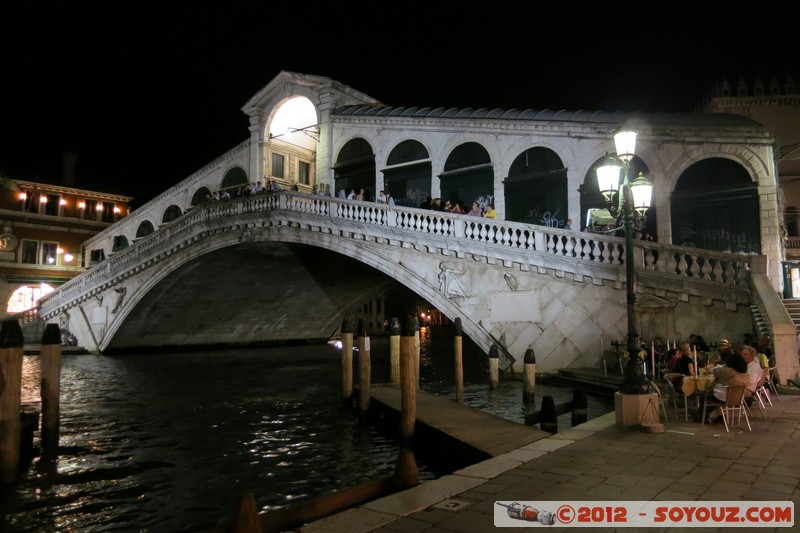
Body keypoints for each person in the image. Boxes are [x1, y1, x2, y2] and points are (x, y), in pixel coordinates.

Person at [702, 350, 750, 422]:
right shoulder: (745, 374)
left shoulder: (728, 371)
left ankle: (703, 418)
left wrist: (724, 365)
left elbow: (713, 370)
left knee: (704, 396)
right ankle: (719, 416)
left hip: (724, 397)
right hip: (738, 399)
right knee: (716, 393)